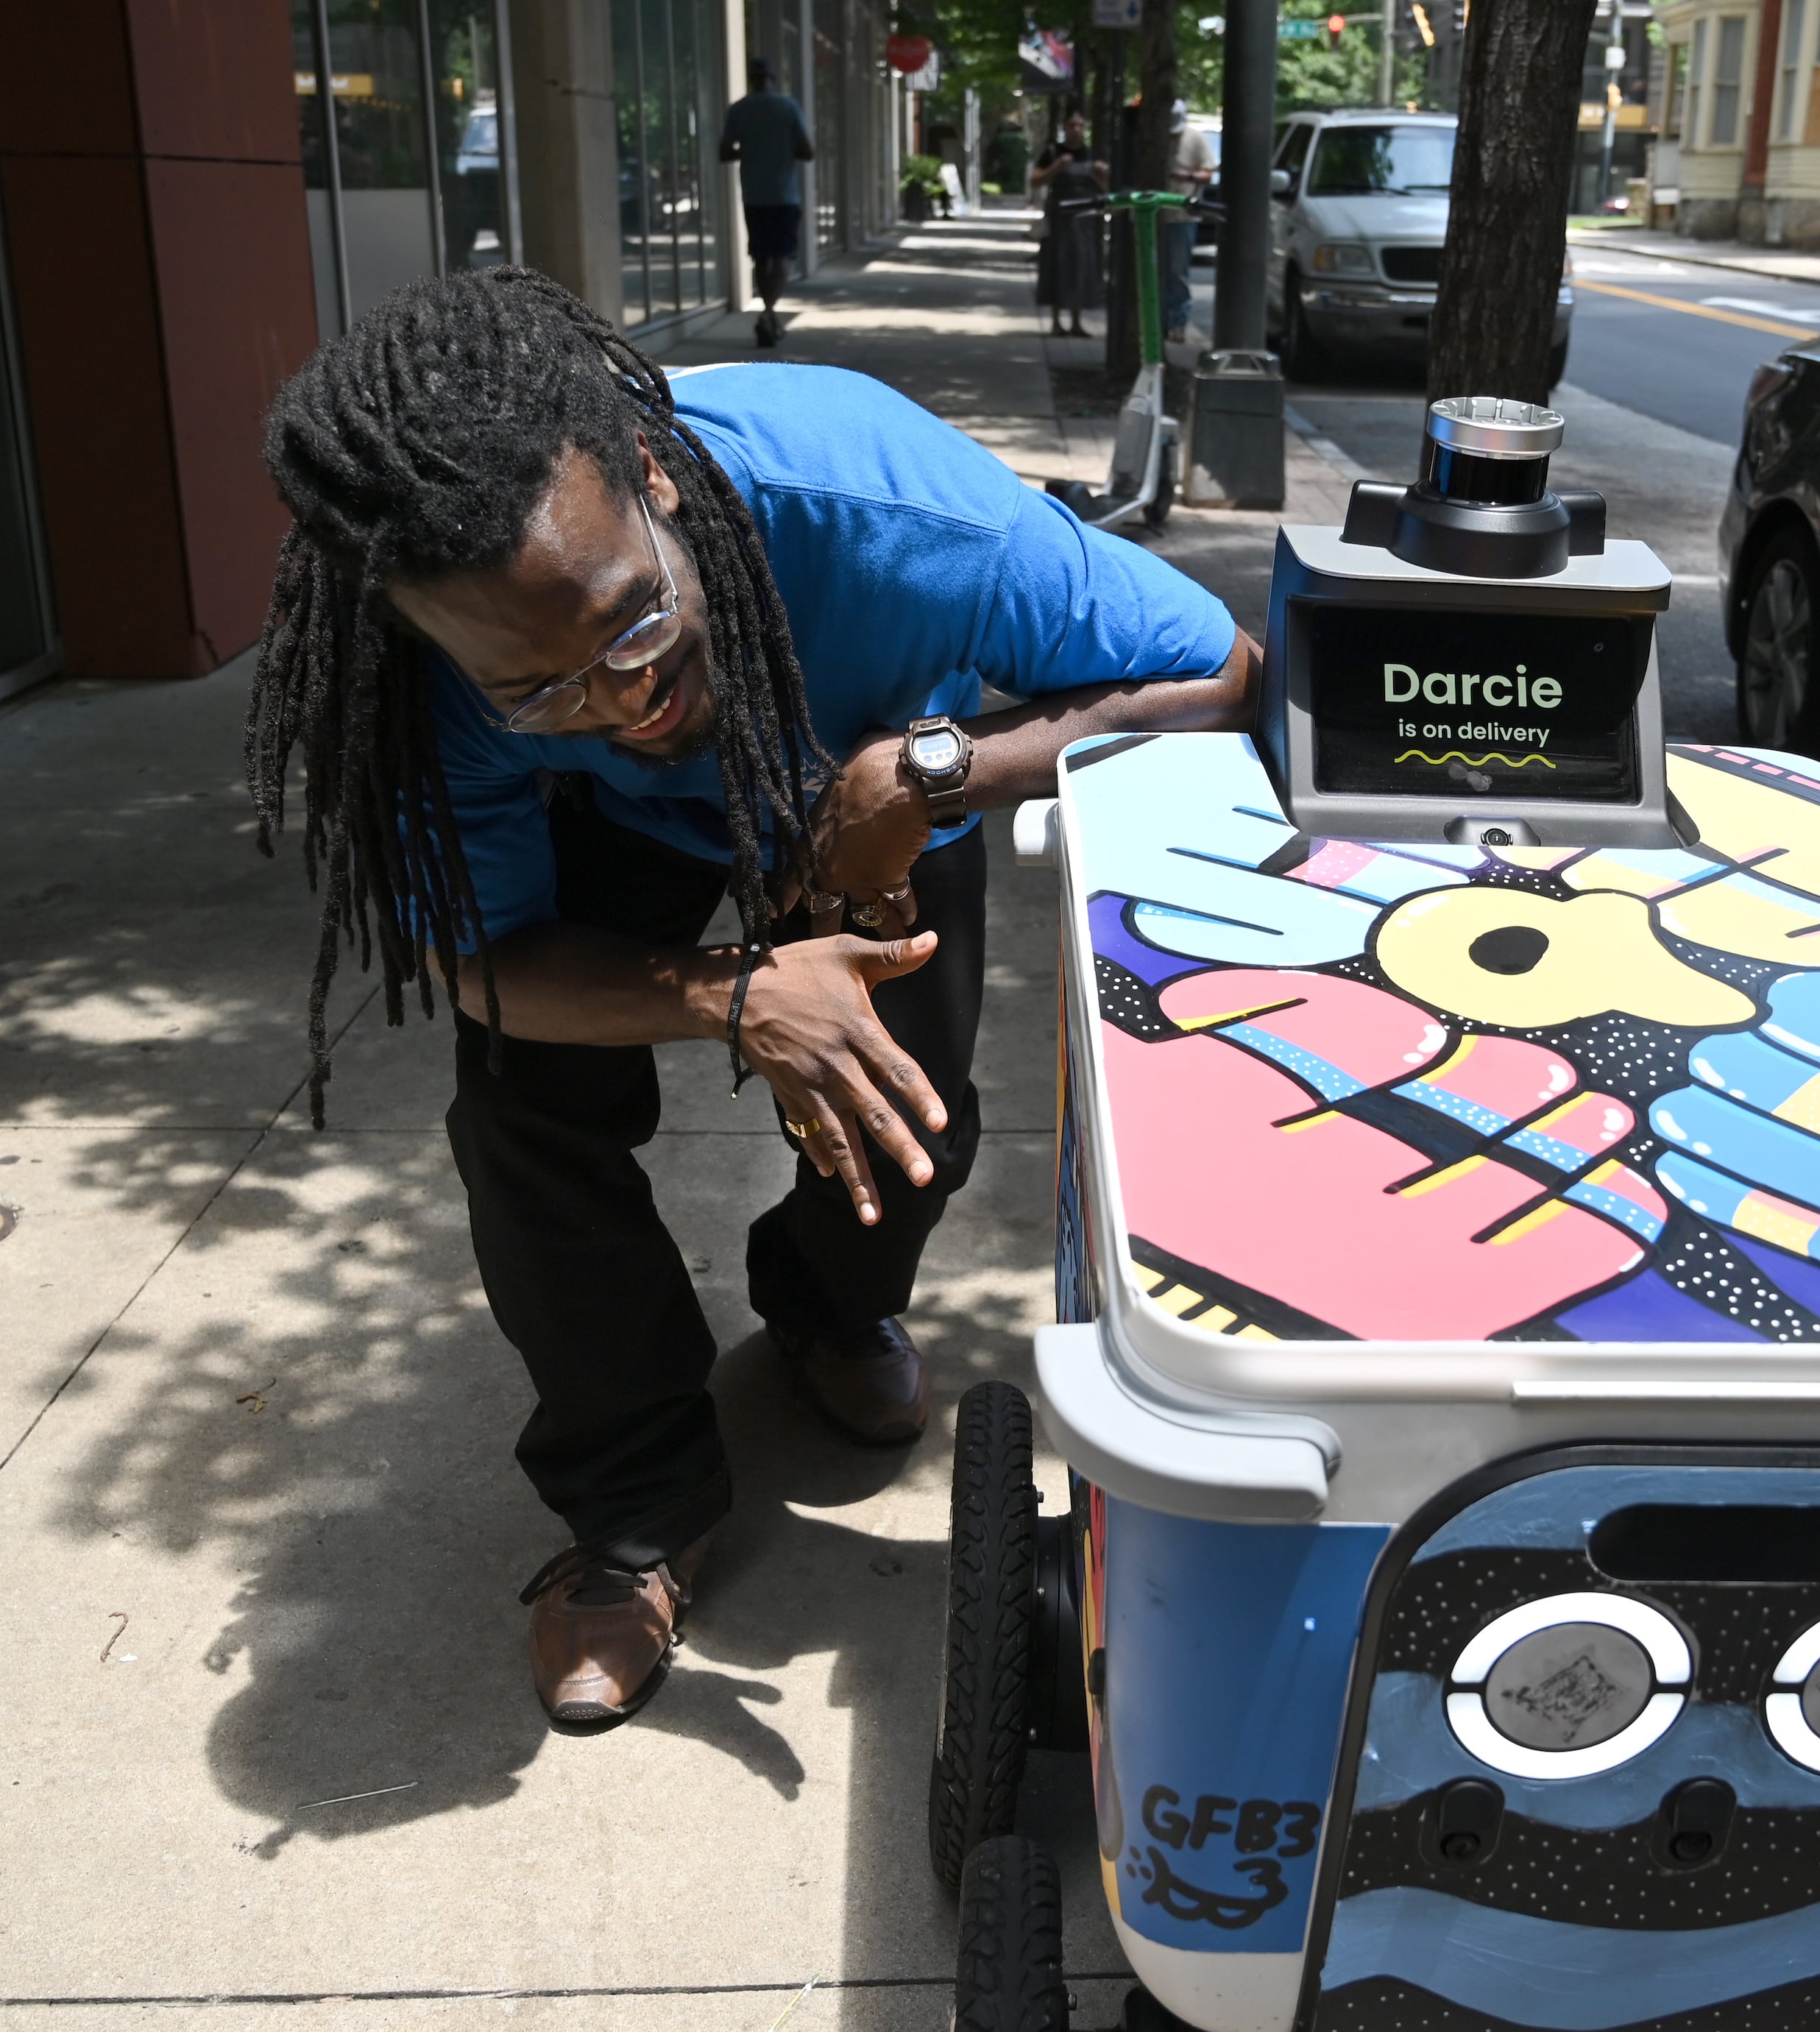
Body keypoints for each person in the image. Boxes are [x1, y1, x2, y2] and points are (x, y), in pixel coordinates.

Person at [246, 268, 1258, 1730]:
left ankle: (828, 1311)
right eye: (534, 688)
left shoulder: (892, 511)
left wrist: (924, 775)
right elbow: (484, 960)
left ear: (654, 482)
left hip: (865, 781)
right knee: (524, 1121)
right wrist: (734, 995)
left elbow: (1212, 672)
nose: (616, 701)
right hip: (596, 844)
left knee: (913, 1124)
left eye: (634, 628)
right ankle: (637, 1507)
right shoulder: (421, 674)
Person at [720, 60, 813, 347]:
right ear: (773, 78)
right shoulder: (788, 107)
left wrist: (751, 150)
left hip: (754, 194)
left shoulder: (739, 109)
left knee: (761, 257)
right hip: (785, 195)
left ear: (752, 79)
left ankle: (768, 315)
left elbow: (724, 152)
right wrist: (783, 149)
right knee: (784, 256)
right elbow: (808, 151)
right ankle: (769, 314)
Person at [1030, 113, 1105, 339]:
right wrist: (1057, 167)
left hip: (1085, 220)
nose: (1077, 129)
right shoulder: (1053, 152)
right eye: (1072, 125)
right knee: (1057, 265)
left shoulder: (1092, 155)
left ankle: (1076, 322)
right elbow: (1035, 181)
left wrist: (1102, 173)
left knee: (1082, 266)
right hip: (1059, 218)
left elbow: (1108, 188)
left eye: (1081, 125)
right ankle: (1055, 322)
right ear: (1065, 127)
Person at [1161, 102, 1214, 343]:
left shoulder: (1195, 139)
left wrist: (1187, 176)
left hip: (1182, 217)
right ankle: (1159, 322)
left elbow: (1208, 173)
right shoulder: (1157, 138)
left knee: (1177, 272)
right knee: (1157, 271)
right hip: (1157, 215)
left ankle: (1178, 323)